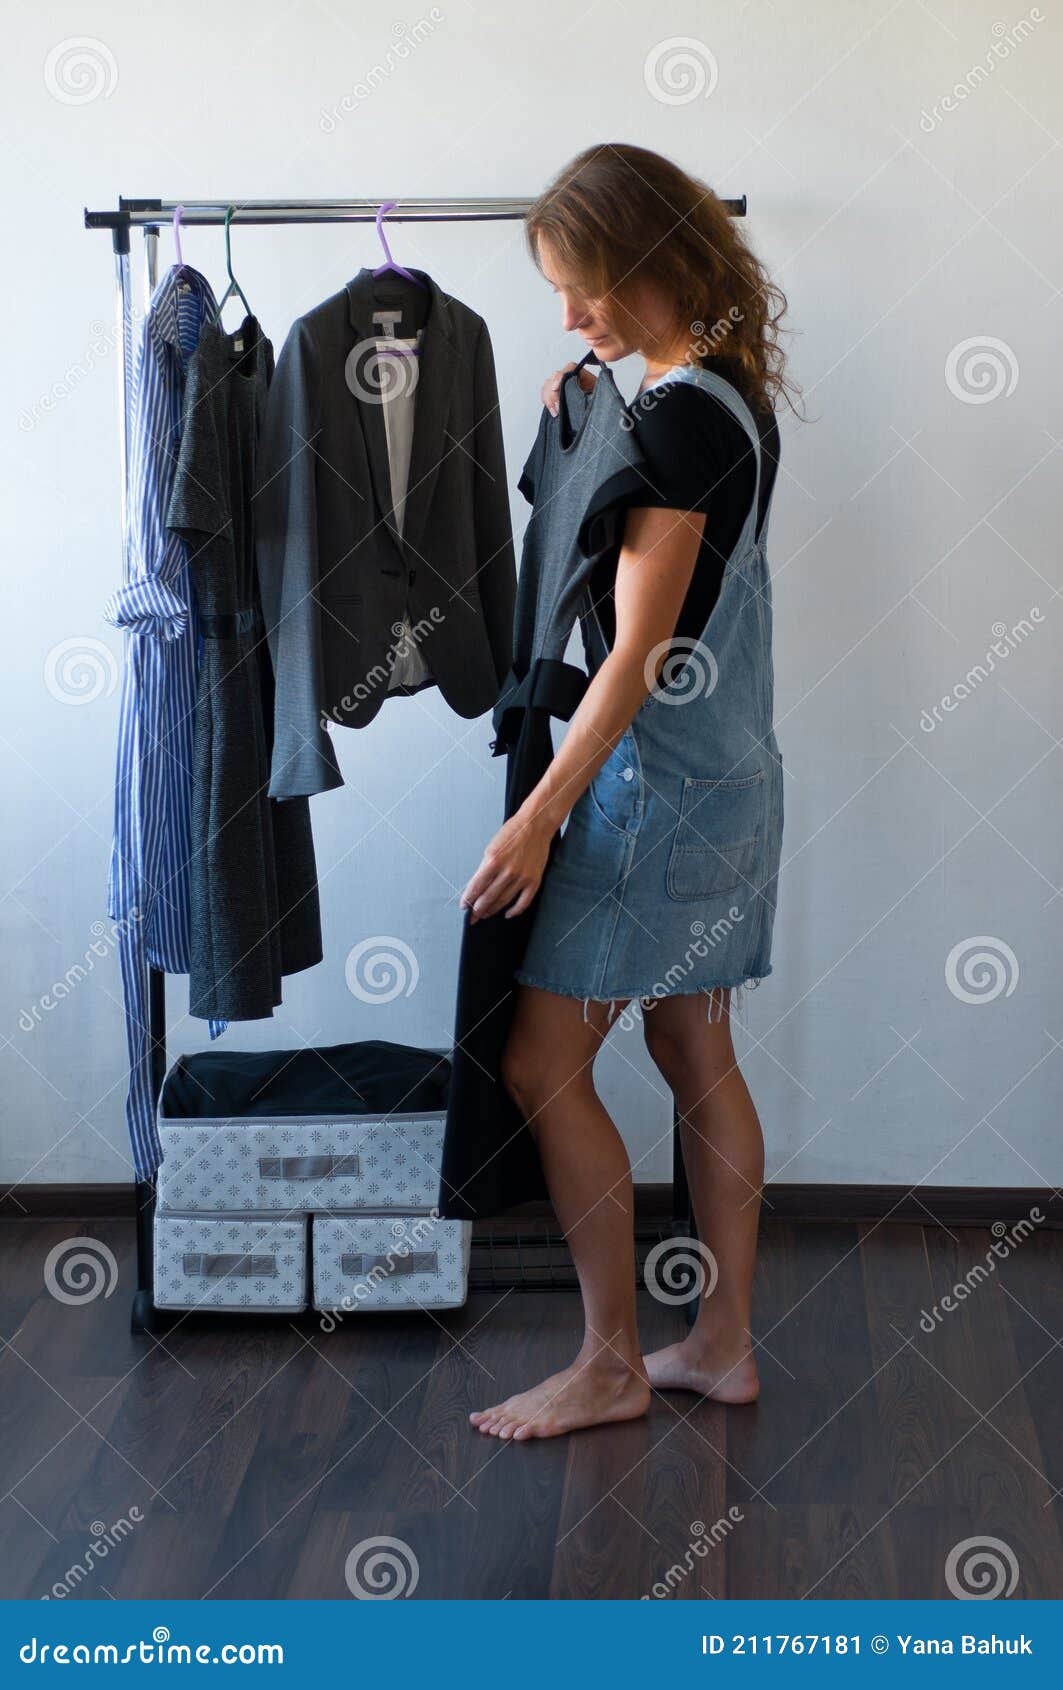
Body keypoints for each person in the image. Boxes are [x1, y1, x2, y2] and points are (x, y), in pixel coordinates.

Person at [463, 143, 801, 1441]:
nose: (568, 316)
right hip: (733, 781)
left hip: (651, 794)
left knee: (545, 1060)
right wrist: (602, 402)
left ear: (643, 260)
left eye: (581, 287)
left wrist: (540, 814)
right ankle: (718, 1344)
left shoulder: (676, 426)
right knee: (692, 1043)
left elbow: (632, 665)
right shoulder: (722, 396)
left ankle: (610, 1359)